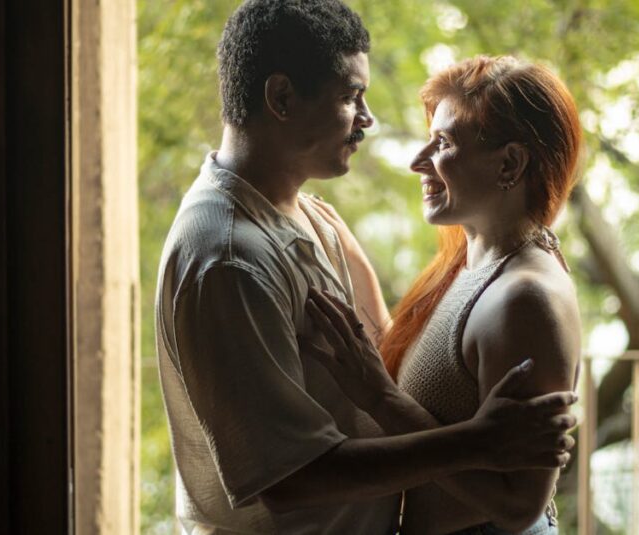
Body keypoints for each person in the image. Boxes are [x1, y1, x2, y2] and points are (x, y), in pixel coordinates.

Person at [153, 1, 578, 533]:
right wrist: (478, 442)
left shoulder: (304, 216)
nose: (367, 119)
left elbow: (373, 366)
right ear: (282, 97)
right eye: (351, 96)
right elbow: (288, 477)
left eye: (443, 143)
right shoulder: (231, 259)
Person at [300, 55, 584, 534]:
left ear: (510, 163)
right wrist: (351, 256)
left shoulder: (525, 300)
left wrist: (378, 397)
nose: (418, 162)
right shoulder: (477, 264)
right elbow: (440, 387)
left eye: (445, 142)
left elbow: (519, 506)